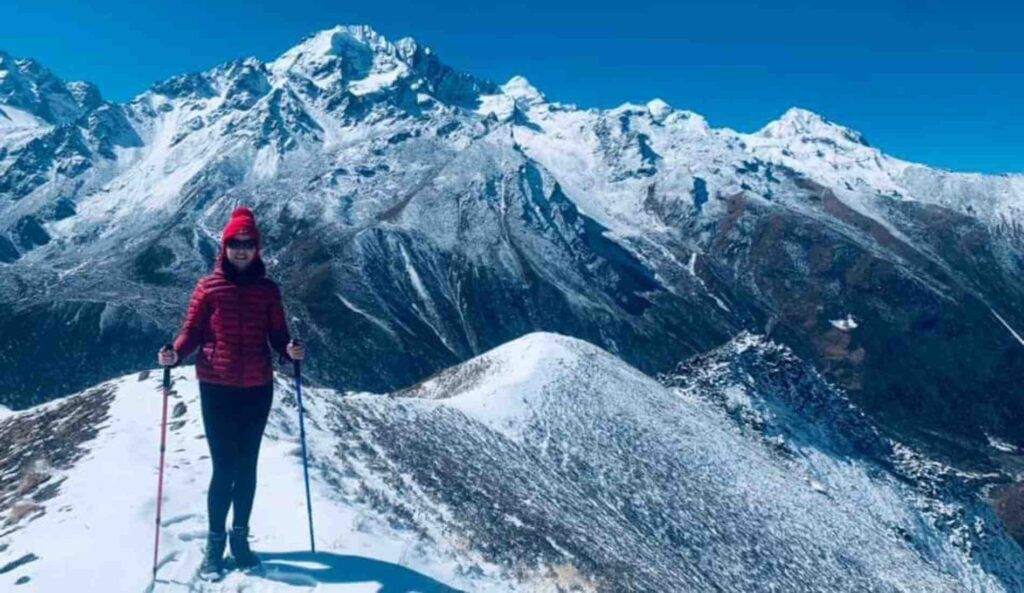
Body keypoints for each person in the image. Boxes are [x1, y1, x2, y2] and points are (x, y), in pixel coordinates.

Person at [157, 206, 305, 581]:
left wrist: (289, 351)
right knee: (225, 467)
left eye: (248, 244)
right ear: (223, 247)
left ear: (257, 249)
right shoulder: (208, 288)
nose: (241, 249)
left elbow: (277, 336)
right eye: (235, 243)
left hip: (257, 387)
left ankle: (239, 540)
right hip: (217, 386)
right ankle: (215, 543)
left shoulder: (269, 291)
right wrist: (175, 352)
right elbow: (191, 331)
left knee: (247, 465)